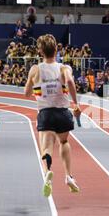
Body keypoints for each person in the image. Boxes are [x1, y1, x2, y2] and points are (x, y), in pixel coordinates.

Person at [24, 34, 81, 197]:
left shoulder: (35, 69)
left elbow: (26, 94)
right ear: (56, 49)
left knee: (46, 146)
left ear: (41, 51)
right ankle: (69, 176)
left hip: (45, 113)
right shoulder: (64, 68)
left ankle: (47, 172)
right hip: (63, 112)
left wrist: (32, 83)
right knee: (63, 142)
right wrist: (76, 103)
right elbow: (70, 82)